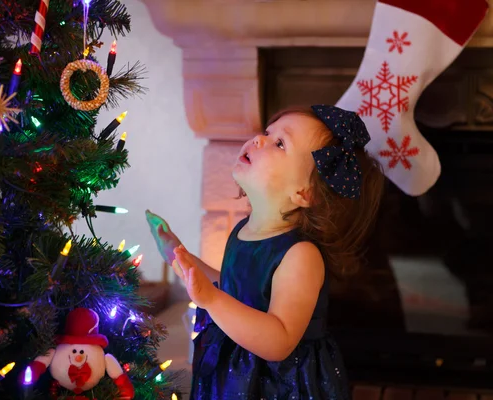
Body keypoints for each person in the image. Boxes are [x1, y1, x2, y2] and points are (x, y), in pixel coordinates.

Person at [146, 105, 384, 399]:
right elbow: (233, 287)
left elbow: (279, 340)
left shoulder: (301, 255)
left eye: (280, 143)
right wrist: (178, 255)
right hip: (236, 366)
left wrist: (211, 299)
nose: (259, 139)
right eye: (268, 132)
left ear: (304, 193)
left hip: (276, 383)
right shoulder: (245, 229)